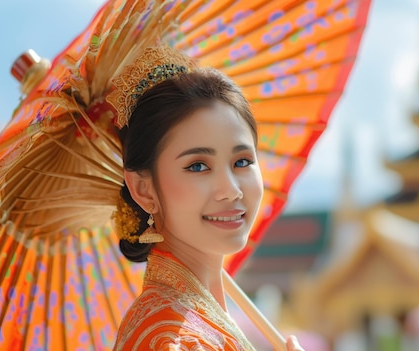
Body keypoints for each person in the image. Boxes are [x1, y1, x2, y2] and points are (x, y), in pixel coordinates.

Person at [107, 45, 305, 351]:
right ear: (144, 189)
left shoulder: (193, 319)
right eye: (198, 166)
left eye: (242, 162)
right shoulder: (169, 338)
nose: (231, 190)